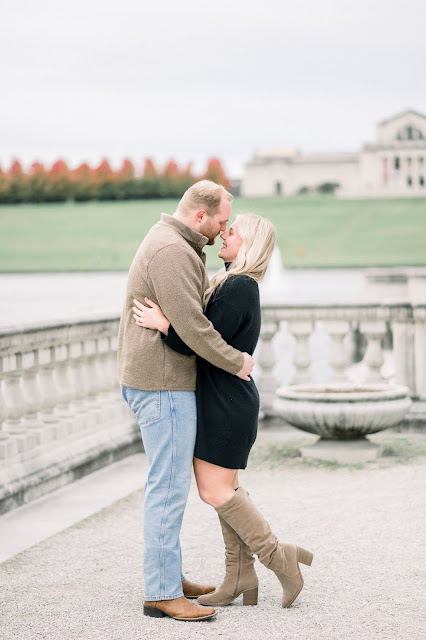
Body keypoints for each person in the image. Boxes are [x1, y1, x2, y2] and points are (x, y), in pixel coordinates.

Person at [133, 213, 313, 610]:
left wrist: (164, 325)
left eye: (232, 232)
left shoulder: (238, 287)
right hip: (226, 399)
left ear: (248, 244)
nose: (223, 236)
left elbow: (204, 343)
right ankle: (237, 577)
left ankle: (278, 558)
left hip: (226, 404)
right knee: (225, 490)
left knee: (214, 490)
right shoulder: (235, 284)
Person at [117, 180, 255, 622]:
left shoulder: (177, 243)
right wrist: (237, 361)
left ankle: (168, 578)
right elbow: (193, 328)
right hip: (163, 383)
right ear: (200, 216)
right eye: (219, 221)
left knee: (169, 485)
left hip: (164, 380)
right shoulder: (173, 251)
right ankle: (161, 592)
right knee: (168, 488)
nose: (222, 229)